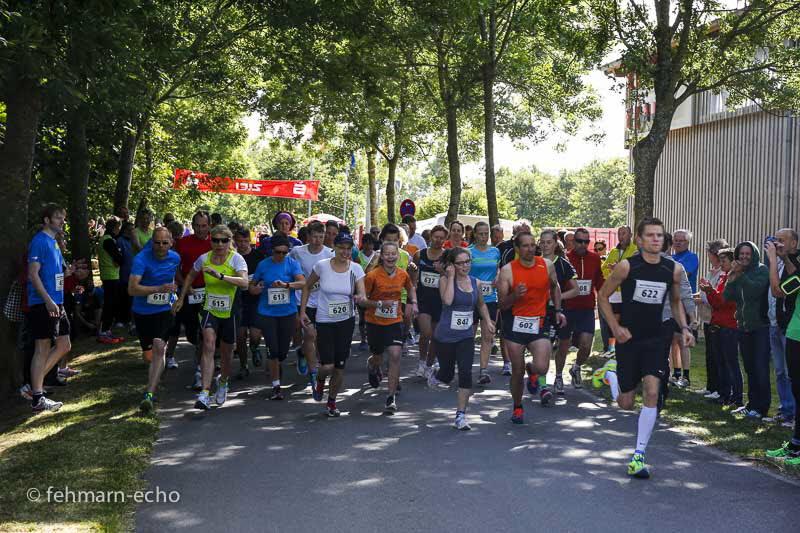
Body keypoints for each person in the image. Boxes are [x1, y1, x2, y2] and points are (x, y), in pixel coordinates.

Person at [598, 217, 694, 479]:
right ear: (639, 240)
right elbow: (603, 296)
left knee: (652, 391)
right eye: (650, 235)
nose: (656, 239)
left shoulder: (672, 269)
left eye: (659, 235)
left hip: (656, 338)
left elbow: (675, 302)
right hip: (629, 338)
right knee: (626, 403)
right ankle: (612, 375)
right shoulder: (627, 266)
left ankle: (638, 456)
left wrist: (685, 327)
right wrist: (615, 327)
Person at [174, 225, 249, 410]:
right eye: (215, 240)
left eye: (224, 240)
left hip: (230, 311)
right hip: (210, 308)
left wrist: (221, 276)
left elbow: (244, 283)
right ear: (211, 241)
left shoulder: (236, 259)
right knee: (208, 344)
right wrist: (181, 298)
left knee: (226, 353)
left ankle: (223, 382)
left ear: (229, 241)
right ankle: (205, 393)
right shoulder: (204, 258)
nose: (219, 244)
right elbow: (190, 275)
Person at [497, 231, 566, 423]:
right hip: (514, 325)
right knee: (517, 371)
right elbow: (502, 304)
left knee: (542, 367)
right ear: (517, 249)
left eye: (532, 245)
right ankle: (518, 407)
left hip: (538, 322)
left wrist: (558, 310)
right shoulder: (507, 271)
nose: (530, 249)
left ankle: (533, 370)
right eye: (525, 246)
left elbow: (555, 287)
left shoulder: (547, 265)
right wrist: (514, 296)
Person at [301, 232, 366, 416]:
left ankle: (331, 402)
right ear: (334, 248)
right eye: (341, 248)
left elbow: (362, 292)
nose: (345, 252)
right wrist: (302, 311)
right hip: (325, 321)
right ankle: (320, 380)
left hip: (346, 322)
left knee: (340, 366)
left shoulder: (356, 269)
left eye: (348, 249)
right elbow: (306, 286)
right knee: (327, 366)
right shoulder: (322, 266)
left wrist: (360, 297)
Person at [429, 247, 494, 429]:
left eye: (467, 262)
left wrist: (488, 321)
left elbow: (481, 304)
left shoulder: (475, 282)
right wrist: (450, 276)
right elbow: (448, 301)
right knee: (447, 375)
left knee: (466, 373)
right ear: (452, 265)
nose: (465, 266)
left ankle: (460, 415)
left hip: (465, 336)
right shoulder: (444, 280)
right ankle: (437, 374)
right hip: (445, 336)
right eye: (460, 263)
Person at [27, 204, 77, 412]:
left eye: (63, 217)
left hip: (57, 301)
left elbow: (55, 274)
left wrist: (69, 273)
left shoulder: (54, 242)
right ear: (47, 220)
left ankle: (32, 387)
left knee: (64, 345)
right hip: (43, 302)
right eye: (58, 217)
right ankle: (37, 396)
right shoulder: (39, 241)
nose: (62, 221)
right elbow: (33, 274)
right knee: (42, 348)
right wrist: (47, 300)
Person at [128, 227, 181, 413]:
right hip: (142, 311)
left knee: (159, 346)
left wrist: (177, 293)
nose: (161, 247)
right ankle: (154, 378)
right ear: (151, 242)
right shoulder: (141, 259)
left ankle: (149, 394)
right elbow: (132, 289)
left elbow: (175, 277)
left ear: (171, 243)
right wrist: (159, 289)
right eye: (157, 243)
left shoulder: (175, 258)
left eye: (165, 243)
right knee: (148, 356)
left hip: (164, 309)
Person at [250, 234, 306, 400]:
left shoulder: (292, 264)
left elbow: (302, 283)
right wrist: (256, 289)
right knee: (273, 350)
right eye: (277, 252)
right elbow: (252, 286)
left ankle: (277, 366)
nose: (281, 255)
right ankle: (276, 386)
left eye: (284, 252)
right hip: (267, 313)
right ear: (271, 250)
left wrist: (286, 285)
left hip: (287, 313)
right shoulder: (263, 265)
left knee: (282, 351)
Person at [363, 242, 417, 412]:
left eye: (394, 254)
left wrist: (414, 302)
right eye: (387, 254)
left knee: (395, 355)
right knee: (378, 357)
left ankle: (390, 397)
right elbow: (362, 300)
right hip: (374, 322)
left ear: (398, 256)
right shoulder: (372, 276)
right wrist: (379, 304)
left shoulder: (402, 274)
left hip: (394, 321)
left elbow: (410, 288)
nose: (391, 257)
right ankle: (372, 364)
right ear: (382, 256)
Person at [722, 241, 771, 419]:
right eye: (741, 254)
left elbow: (753, 292)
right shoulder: (739, 272)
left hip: (760, 327)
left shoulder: (762, 270)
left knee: (760, 368)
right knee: (750, 367)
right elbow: (727, 297)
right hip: (743, 326)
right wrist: (731, 278)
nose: (744, 257)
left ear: (754, 255)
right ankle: (751, 405)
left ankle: (761, 408)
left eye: (747, 254)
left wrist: (741, 275)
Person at [764, 240, 800, 464]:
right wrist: (783, 256)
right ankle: (795, 444)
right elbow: (792, 263)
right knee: (797, 390)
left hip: (798, 335)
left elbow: (778, 291)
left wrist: (772, 259)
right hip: (795, 334)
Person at [560, 227, 604, 392]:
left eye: (586, 242)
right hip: (568, 308)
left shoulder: (594, 258)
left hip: (586, 308)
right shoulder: (566, 258)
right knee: (563, 345)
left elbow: (599, 280)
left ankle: (576, 367)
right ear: (573, 241)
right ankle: (558, 375)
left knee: (586, 346)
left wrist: (605, 294)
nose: (583, 245)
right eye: (579, 241)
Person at [169, 211, 211, 382]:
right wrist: (185, 285)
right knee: (189, 331)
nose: (200, 229)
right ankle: (170, 356)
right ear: (192, 226)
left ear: (209, 226)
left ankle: (202, 366)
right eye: (197, 226)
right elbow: (174, 268)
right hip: (188, 292)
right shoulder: (183, 243)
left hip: (209, 292)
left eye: (204, 226)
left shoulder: (215, 242)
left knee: (205, 330)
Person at [290, 221, 334, 385]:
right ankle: (313, 372)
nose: (317, 240)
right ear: (308, 236)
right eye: (314, 237)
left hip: (323, 301)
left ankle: (303, 352)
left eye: (321, 237)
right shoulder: (297, 252)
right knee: (310, 334)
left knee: (319, 338)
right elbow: (288, 267)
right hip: (303, 299)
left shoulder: (330, 253)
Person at [700, 248, 743, 409]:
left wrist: (710, 291)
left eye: (724, 261)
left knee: (730, 362)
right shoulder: (723, 277)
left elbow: (725, 301)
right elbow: (716, 302)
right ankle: (724, 393)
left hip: (729, 324)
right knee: (721, 361)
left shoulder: (735, 280)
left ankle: (736, 397)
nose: (721, 263)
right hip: (719, 323)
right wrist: (710, 292)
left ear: (733, 262)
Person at [538, 230, 578, 395]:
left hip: (560, 311)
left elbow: (575, 290)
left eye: (549, 242)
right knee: (543, 348)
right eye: (542, 242)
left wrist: (557, 297)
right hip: (539, 312)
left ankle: (559, 376)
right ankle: (542, 384)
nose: (545, 245)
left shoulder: (563, 264)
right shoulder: (534, 262)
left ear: (555, 244)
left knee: (562, 346)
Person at [695, 239, 728, 399]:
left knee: (717, 355)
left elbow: (715, 296)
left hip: (715, 318)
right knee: (710, 354)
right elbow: (705, 292)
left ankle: (718, 388)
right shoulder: (712, 271)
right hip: (707, 318)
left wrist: (701, 299)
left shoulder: (722, 274)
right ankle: (711, 386)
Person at [468, 222, 500, 384]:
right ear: (474, 234)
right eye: (480, 233)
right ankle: (466, 368)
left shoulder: (495, 251)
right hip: (472, 299)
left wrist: (498, 277)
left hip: (490, 299)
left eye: (486, 233)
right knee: (469, 337)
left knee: (488, 336)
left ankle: (483, 371)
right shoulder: (468, 252)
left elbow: (499, 269)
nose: (484, 236)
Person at [413, 225, 447, 378]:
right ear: (431, 236)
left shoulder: (447, 256)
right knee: (425, 333)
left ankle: (429, 364)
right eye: (436, 237)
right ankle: (421, 361)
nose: (438, 240)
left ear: (445, 239)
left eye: (441, 238)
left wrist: (442, 271)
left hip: (440, 300)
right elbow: (412, 277)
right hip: (423, 299)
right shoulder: (419, 254)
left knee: (436, 337)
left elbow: (451, 276)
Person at [600, 225, 639, 357]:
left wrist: (620, 270)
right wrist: (612, 272)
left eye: (624, 233)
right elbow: (603, 269)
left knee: (626, 321)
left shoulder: (635, 251)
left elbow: (636, 270)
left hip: (628, 292)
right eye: (619, 234)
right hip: (614, 292)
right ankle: (612, 349)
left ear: (631, 235)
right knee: (613, 322)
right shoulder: (613, 251)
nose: (621, 236)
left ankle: (625, 349)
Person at [233, 227, 265, 379]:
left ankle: (255, 347)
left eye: (245, 241)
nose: (243, 244)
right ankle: (243, 366)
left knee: (255, 334)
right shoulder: (232, 257)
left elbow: (265, 274)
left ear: (250, 240)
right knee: (240, 336)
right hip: (238, 300)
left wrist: (259, 286)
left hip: (255, 300)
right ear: (235, 241)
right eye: (239, 241)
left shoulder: (258, 256)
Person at [97, 217, 124, 344]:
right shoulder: (108, 240)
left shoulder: (108, 239)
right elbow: (119, 259)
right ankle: (103, 332)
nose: (120, 230)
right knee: (109, 305)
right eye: (119, 227)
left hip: (112, 275)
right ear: (115, 227)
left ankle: (107, 330)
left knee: (112, 304)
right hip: (109, 276)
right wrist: (119, 258)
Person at [355, 233, 378, 349]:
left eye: (371, 243)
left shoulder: (377, 256)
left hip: (375, 290)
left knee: (373, 315)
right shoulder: (358, 256)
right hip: (361, 289)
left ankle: (372, 338)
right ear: (362, 244)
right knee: (362, 316)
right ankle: (363, 339)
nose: (368, 246)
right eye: (366, 243)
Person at [117, 222, 135, 330]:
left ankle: (130, 319)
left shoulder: (134, 241)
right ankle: (122, 319)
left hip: (134, 274)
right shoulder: (120, 241)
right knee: (123, 297)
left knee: (131, 298)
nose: (132, 231)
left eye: (133, 229)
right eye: (130, 229)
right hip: (124, 274)